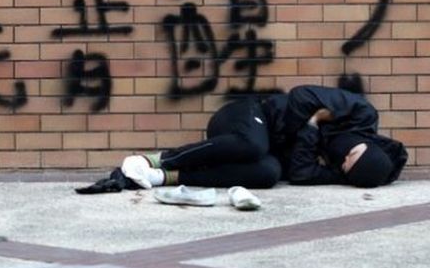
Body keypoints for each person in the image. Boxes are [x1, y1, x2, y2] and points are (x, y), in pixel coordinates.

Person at [78, 85, 407, 195]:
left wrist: (309, 128)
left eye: (346, 166)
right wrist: (309, 124)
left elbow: (302, 174)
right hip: (246, 115)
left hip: (256, 146)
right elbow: (300, 95)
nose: (343, 157)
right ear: (368, 144)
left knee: (268, 174)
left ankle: (163, 176)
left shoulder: (337, 167)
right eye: (352, 152)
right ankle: (154, 159)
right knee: (256, 145)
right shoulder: (362, 116)